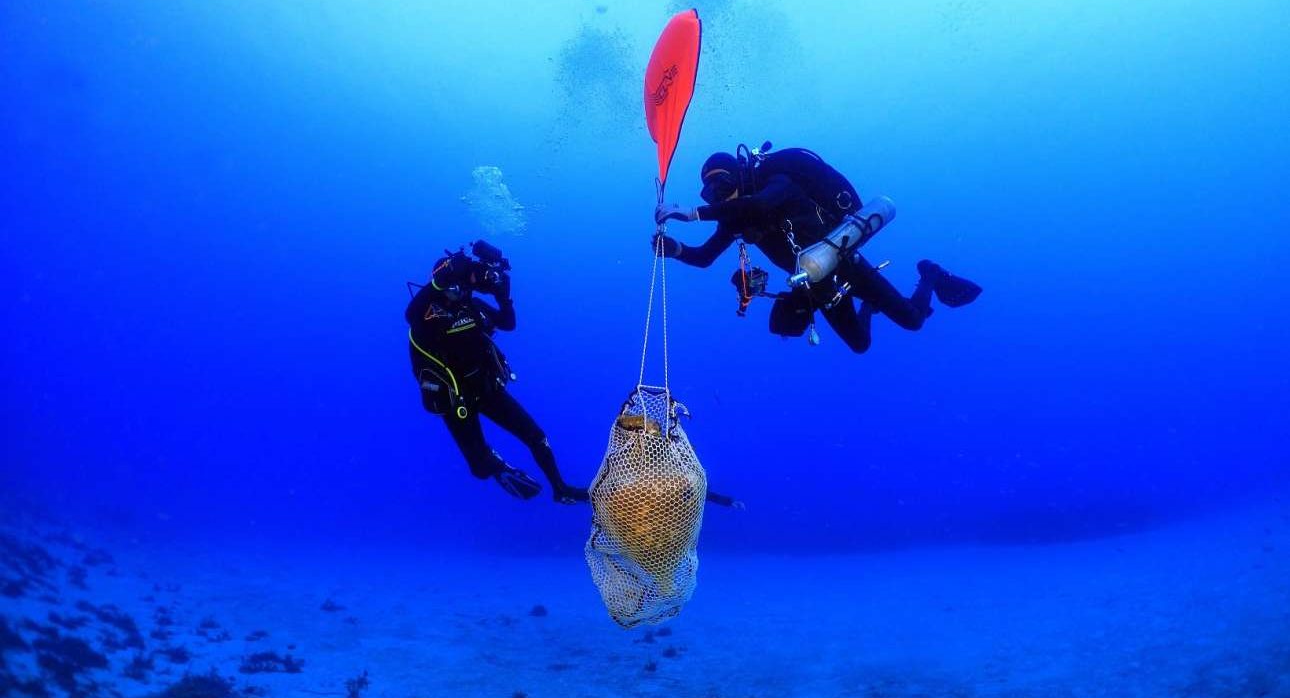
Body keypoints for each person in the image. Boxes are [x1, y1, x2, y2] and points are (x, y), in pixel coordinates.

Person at [653, 145, 981, 353]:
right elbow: (704, 257)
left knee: (912, 320)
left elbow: (760, 203)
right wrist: (676, 248)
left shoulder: (777, 181)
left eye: (722, 186)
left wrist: (695, 213)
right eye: (710, 194)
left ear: (740, 177)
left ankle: (931, 273)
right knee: (860, 344)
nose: (720, 197)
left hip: (842, 260)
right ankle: (870, 305)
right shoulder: (734, 220)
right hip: (815, 282)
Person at [406, 241, 588, 504]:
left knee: (536, 436)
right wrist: (440, 281)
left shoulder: (473, 307)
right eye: (453, 286)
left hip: (487, 387)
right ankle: (497, 466)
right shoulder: (426, 316)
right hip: (456, 398)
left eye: (462, 286)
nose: (460, 292)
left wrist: (504, 296)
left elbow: (508, 323)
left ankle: (560, 488)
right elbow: (410, 314)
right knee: (479, 467)